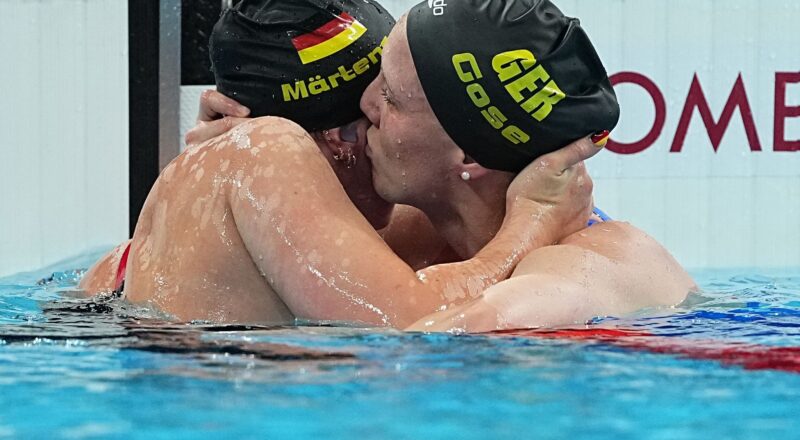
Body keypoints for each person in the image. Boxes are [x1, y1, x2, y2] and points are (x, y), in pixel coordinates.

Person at [79, 0, 600, 328]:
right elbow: (414, 322)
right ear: (327, 138)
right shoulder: (270, 148)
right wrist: (531, 224)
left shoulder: (134, 254)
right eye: (366, 122)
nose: (376, 143)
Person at [191, 0, 696, 332]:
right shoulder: (425, 238)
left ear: (470, 154)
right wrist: (221, 183)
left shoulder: (584, 268)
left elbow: (428, 340)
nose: (365, 106)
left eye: (390, 96)